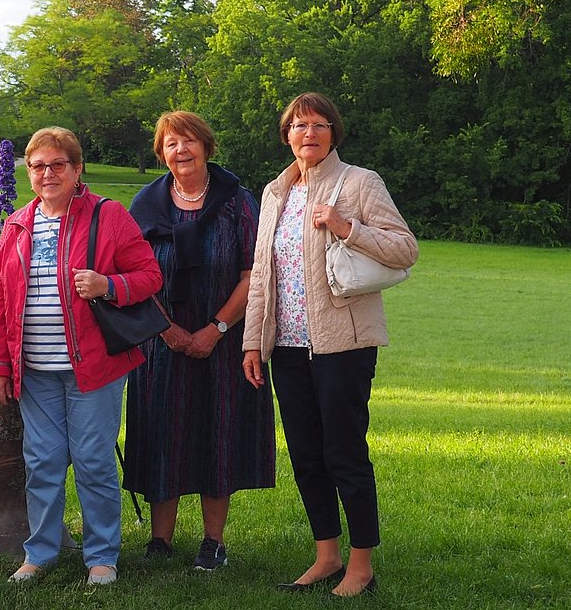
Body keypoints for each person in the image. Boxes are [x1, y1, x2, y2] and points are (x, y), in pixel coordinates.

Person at [242, 92, 418, 598]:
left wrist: (347, 227)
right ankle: (326, 556)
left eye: (319, 124)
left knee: (344, 452)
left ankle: (361, 565)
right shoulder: (275, 193)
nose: (309, 133)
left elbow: (406, 248)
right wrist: (254, 342)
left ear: (333, 133)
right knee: (306, 454)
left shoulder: (360, 183)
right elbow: (262, 279)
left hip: (345, 346)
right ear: (286, 135)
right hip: (289, 348)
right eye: (299, 126)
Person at [0, 126, 162, 586]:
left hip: (94, 367)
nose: (47, 173)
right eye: (38, 165)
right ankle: (40, 552)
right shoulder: (17, 223)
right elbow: (0, 297)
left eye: (58, 164)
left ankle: (102, 557)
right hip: (35, 370)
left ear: (77, 169)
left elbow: (149, 275)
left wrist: (109, 285)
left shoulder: (109, 215)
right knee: (41, 463)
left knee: (93, 461)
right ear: (28, 171)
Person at [122, 111, 275, 571]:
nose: (180, 150)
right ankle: (160, 540)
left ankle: (213, 541)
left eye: (189, 140)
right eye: (171, 143)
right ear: (160, 152)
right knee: (161, 431)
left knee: (217, 433)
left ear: (207, 146)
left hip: (223, 340)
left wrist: (215, 329)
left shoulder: (238, 202)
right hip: (158, 340)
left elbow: (254, 273)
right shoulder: (145, 205)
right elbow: (131, 274)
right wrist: (167, 329)